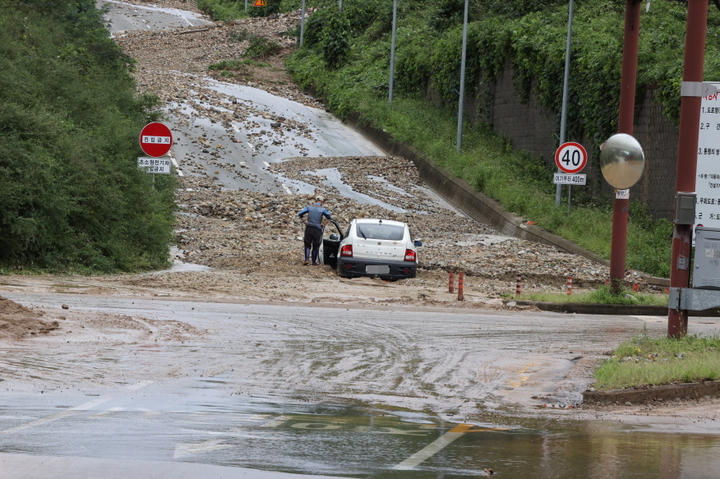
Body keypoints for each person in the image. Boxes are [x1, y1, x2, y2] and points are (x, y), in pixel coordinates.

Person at [298, 195, 332, 265]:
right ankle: (314, 261)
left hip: (309, 227)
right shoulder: (323, 209)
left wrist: (304, 221)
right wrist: (323, 224)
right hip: (317, 228)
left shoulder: (309, 207)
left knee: (307, 244)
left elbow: (300, 214)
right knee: (316, 245)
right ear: (322, 201)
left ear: (316, 200)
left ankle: (306, 259)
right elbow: (329, 217)